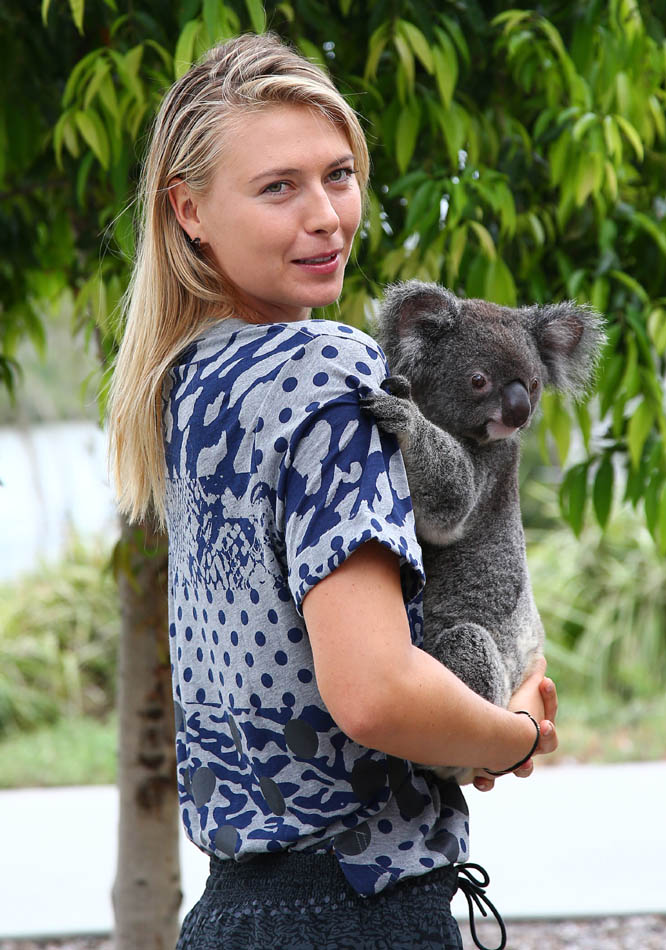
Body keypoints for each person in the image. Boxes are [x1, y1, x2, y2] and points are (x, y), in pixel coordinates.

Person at [107, 32, 558, 950]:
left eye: (340, 175)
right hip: (354, 900)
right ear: (187, 209)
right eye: (279, 187)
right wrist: (511, 736)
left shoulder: (188, 378)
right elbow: (376, 695)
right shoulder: (331, 367)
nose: (326, 216)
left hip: (237, 904)